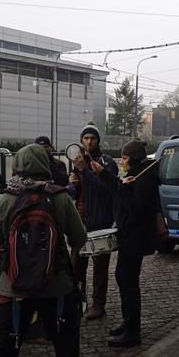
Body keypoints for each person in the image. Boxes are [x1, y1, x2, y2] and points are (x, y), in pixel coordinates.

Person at [0, 144, 88, 357]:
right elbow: (79, 239)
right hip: (57, 284)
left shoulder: (6, 199)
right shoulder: (59, 197)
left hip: (13, 287)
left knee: (5, 342)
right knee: (65, 338)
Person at [107, 140, 160, 348]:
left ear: (134, 159)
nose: (123, 162)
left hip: (135, 239)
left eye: (126, 158)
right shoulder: (136, 176)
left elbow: (135, 210)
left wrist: (125, 190)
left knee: (129, 283)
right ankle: (127, 321)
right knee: (123, 278)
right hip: (129, 238)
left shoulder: (144, 179)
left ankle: (132, 331)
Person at [67, 123, 118, 320]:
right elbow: (75, 193)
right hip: (80, 222)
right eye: (86, 138)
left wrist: (85, 171)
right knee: (76, 265)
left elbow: (106, 188)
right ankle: (79, 301)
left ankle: (98, 304)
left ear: (97, 141)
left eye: (92, 138)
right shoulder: (78, 162)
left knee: (99, 267)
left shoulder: (105, 161)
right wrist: (72, 185)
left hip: (100, 222)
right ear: (81, 141)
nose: (89, 142)